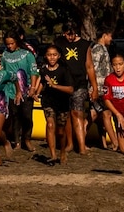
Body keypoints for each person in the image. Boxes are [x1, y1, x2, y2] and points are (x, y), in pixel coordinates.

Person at [57, 27, 97, 155]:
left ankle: (81, 146)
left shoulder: (84, 45)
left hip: (79, 83)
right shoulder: (59, 43)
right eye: (66, 34)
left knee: (77, 112)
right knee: (67, 114)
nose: (69, 37)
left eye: (71, 34)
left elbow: (89, 67)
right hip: (64, 83)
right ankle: (70, 143)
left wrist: (94, 87)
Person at [35, 45, 75, 164]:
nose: (51, 57)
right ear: (46, 56)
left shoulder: (64, 70)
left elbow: (70, 89)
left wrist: (54, 86)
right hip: (48, 101)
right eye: (49, 55)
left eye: (54, 55)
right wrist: (36, 93)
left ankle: (62, 151)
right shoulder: (43, 69)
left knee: (61, 131)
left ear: (58, 56)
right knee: (50, 125)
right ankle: (52, 154)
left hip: (62, 102)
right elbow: (42, 82)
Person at [0, 33, 37, 151]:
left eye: (12, 43)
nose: (10, 46)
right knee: (15, 116)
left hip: (26, 88)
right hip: (10, 89)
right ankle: (16, 141)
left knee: (27, 116)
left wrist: (33, 88)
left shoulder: (27, 55)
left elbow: (33, 72)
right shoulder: (5, 55)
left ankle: (27, 138)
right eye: (7, 44)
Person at [91, 31, 116, 150]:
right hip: (99, 88)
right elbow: (93, 68)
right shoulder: (98, 49)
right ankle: (116, 143)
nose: (111, 39)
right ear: (105, 35)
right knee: (106, 114)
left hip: (103, 87)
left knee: (94, 114)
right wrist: (94, 88)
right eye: (110, 36)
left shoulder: (103, 49)